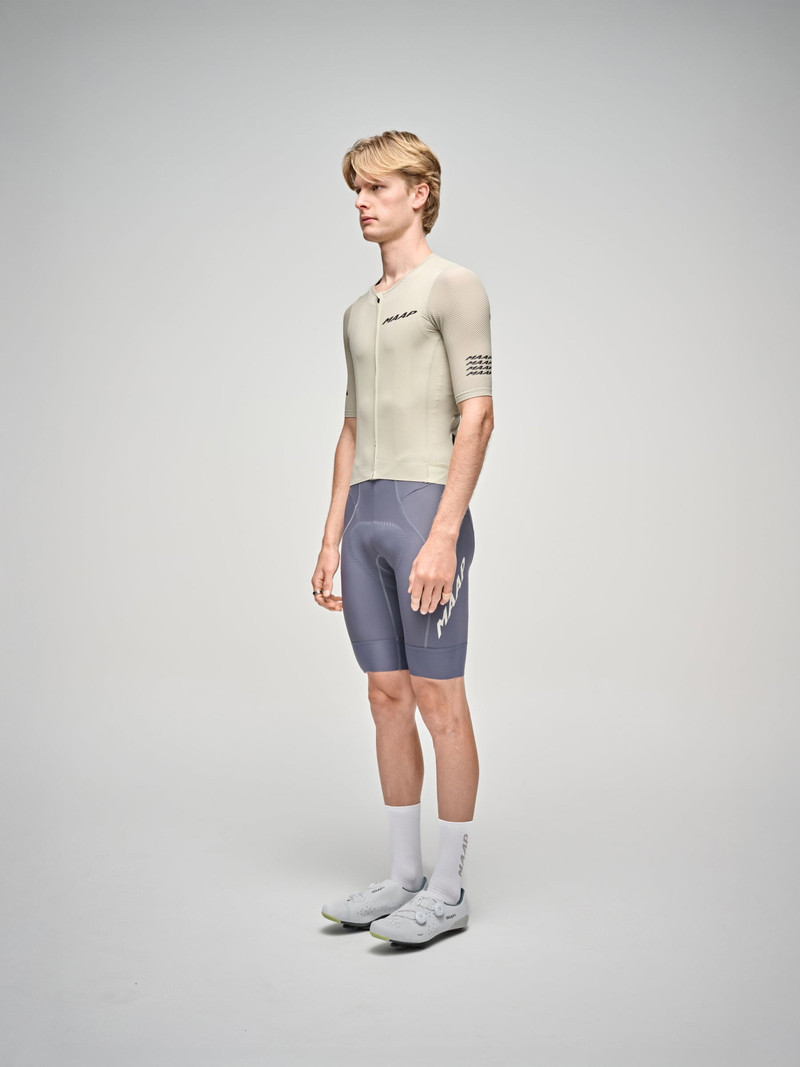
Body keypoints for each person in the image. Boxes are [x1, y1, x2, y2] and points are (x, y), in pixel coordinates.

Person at [312, 131, 493, 946]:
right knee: (385, 695)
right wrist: (329, 538)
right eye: (356, 188)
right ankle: (404, 874)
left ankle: (449, 889)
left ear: (420, 193)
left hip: (425, 513)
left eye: (377, 187)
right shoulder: (357, 312)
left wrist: (444, 533)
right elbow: (351, 428)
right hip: (364, 519)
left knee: (438, 697)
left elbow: (478, 415)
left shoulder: (455, 288)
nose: (361, 201)